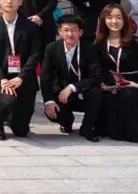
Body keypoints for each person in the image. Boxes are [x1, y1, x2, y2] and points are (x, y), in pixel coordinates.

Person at [95, 4, 138, 143]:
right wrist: (103, 85)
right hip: (112, 83)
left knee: (129, 94)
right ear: (104, 20)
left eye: (118, 17)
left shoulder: (136, 42)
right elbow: (97, 68)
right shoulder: (100, 43)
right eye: (110, 17)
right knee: (98, 94)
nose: (114, 21)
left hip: (134, 82)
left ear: (124, 20)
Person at [0, 0, 42, 140]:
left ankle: (9, 118)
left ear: (20, 2)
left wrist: (20, 77)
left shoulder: (31, 26)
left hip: (24, 78)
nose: (9, 1)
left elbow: (35, 54)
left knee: (21, 131)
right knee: (7, 101)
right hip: (3, 78)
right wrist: (2, 79)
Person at [40, 14, 103, 142]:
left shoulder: (89, 48)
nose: (70, 34)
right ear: (59, 31)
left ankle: (87, 128)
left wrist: (72, 87)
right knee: (52, 112)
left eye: (74, 30)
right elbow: (45, 76)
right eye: (66, 30)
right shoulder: (51, 48)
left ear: (81, 32)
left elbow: (96, 76)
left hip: (83, 91)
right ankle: (67, 122)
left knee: (96, 93)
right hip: (61, 94)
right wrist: (48, 100)